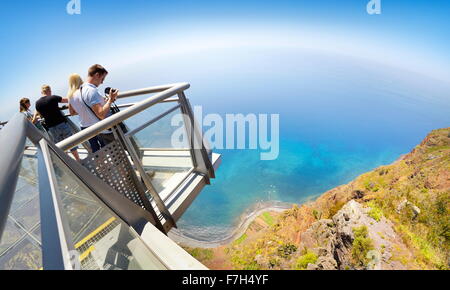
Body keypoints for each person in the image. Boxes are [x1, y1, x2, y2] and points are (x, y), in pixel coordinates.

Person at [70, 64, 119, 153]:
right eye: (102, 79)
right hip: (107, 129)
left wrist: (105, 101)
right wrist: (110, 100)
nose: (102, 82)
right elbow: (101, 114)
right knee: (121, 151)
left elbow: (73, 112)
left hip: (90, 127)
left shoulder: (78, 92)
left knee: (98, 151)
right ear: (97, 75)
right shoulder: (91, 91)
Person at [36, 85, 81, 161]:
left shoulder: (37, 103)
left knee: (62, 146)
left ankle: (68, 161)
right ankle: (78, 159)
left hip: (51, 127)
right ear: (49, 91)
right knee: (71, 142)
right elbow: (68, 100)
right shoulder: (53, 98)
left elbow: (41, 115)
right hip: (61, 123)